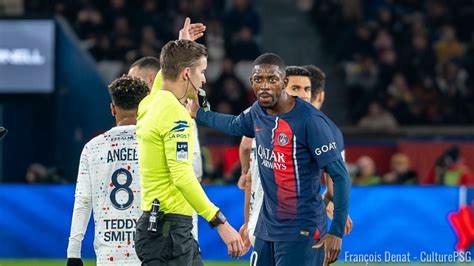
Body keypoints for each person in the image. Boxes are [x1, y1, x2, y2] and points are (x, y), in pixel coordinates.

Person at [189, 53, 351, 266]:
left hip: (301, 230)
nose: (264, 86)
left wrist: (336, 231)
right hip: (267, 227)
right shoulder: (258, 111)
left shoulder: (310, 121)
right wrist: (199, 113)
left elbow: (340, 176)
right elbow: (235, 125)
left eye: (272, 80)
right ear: (251, 83)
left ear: (284, 83)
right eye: (258, 80)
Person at [135, 39, 244, 265]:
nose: (203, 79)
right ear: (186, 73)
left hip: (163, 228)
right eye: (201, 71)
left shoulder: (149, 102)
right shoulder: (176, 115)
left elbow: (163, 77)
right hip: (169, 231)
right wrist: (220, 222)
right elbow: (182, 176)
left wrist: (181, 41)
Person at [238, 66, 353, 250]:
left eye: (306, 89)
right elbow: (335, 186)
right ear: (321, 96)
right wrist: (331, 205)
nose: (303, 94)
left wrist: (244, 173)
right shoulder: (327, 131)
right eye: (297, 88)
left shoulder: (262, 117)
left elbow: (245, 147)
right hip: (293, 228)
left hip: (264, 225)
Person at [67, 76, 150, 266]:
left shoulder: (93, 147)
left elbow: (83, 201)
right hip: (150, 251)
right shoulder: (154, 144)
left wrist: (73, 253)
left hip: (109, 254)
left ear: (113, 108)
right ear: (145, 106)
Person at [128, 55, 203, 242]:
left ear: (151, 80)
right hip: (166, 217)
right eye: (201, 72)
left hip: (173, 215)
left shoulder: (172, 113)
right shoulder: (157, 109)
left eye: (134, 79)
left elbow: (190, 172)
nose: (203, 79)